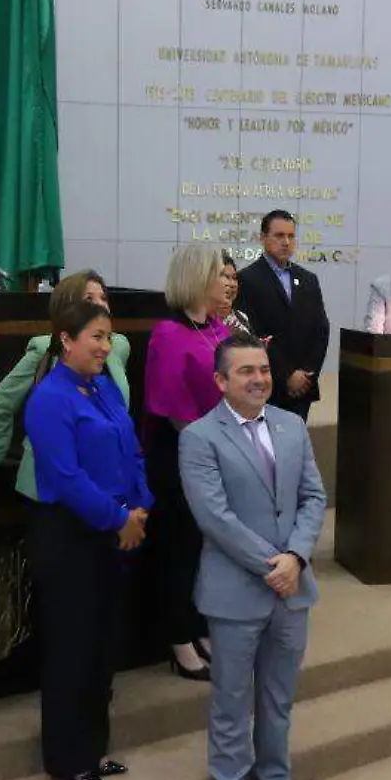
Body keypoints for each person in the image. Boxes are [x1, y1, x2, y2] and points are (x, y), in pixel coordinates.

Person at [178, 335, 328, 780]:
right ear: (221, 381)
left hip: (292, 588)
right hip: (236, 591)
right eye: (245, 371)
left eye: (263, 369)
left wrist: (297, 557)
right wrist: (274, 563)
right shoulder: (199, 438)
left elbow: (313, 496)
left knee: (279, 697)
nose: (259, 379)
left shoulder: (291, 427)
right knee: (231, 700)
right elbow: (215, 519)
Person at [25, 301, 152, 780]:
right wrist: (119, 517)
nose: (105, 347)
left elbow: (132, 448)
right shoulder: (49, 398)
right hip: (72, 536)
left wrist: (140, 505)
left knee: (102, 649)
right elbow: (66, 477)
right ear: (66, 340)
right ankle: (67, 757)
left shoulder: (101, 386)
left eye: (108, 336)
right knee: (71, 651)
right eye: (96, 337)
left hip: (116, 531)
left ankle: (95, 749)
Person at [141, 245, 234, 679]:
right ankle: (179, 639)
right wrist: (215, 448)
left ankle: (200, 626)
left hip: (219, 453)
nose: (227, 281)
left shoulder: (219, 329)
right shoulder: (168, 333)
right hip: (182, 457)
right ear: (197, 277)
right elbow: (175, 411)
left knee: (206, 552)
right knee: (180, 551)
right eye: (220, 274)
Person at [0, 269, 131, 500]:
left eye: (104, 298)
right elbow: (3, 400)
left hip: (104, 482)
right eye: (89, 299)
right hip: (50, 486)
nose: (100, 305)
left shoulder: (118, 347)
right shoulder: (45, 349)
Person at [234, 210, 329, 420]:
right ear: (262, 238)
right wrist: (286, 375)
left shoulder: (308, 280)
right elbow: (252, 333)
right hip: (265, 387)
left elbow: (321, 330)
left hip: (302, 390)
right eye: (279, 236)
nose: (286, 242)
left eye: (291, 236)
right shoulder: (247, 280)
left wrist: (306, 375)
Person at [216, 254, 258, 338]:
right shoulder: (201, 320)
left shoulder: (242, 317)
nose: (232, 284)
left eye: (234, 278)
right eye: (226, 277)